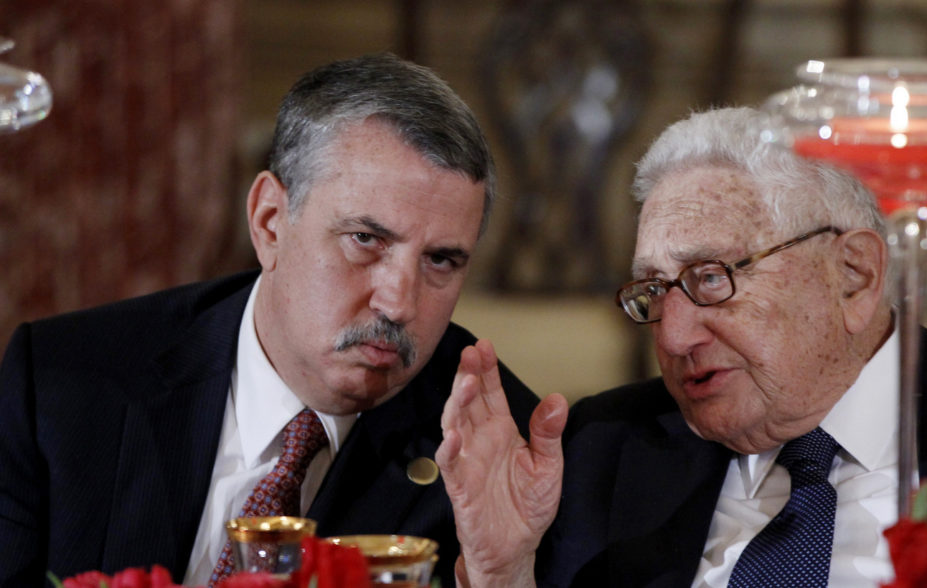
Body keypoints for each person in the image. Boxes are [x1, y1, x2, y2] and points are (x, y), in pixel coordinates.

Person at [436, 106, 927, 587]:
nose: (675, 336)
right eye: (654, 292)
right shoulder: (600, 453)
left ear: (856, 274)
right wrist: (501, 576)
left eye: (711, 279)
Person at [0, 52, 542, 588]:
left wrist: (502, 577)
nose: (399, 304)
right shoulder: (61, 385)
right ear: (269, 222)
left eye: (441, 260)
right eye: (365, 239)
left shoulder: (499, 457)